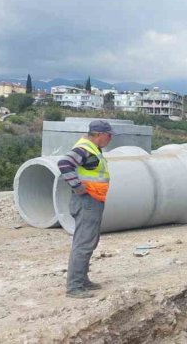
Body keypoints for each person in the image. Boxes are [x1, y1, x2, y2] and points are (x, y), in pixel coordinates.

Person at [57, 120, 114, 299]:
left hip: (93, 201)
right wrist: (78, 187)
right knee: (83, 244)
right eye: (108, 135)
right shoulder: (85, 148)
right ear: (98, 134)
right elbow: (64, 164)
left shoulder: (92, 149)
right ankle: (74, 287)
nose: (110, 138)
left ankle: (82, 280)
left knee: (88, 241)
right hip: (87, 201)